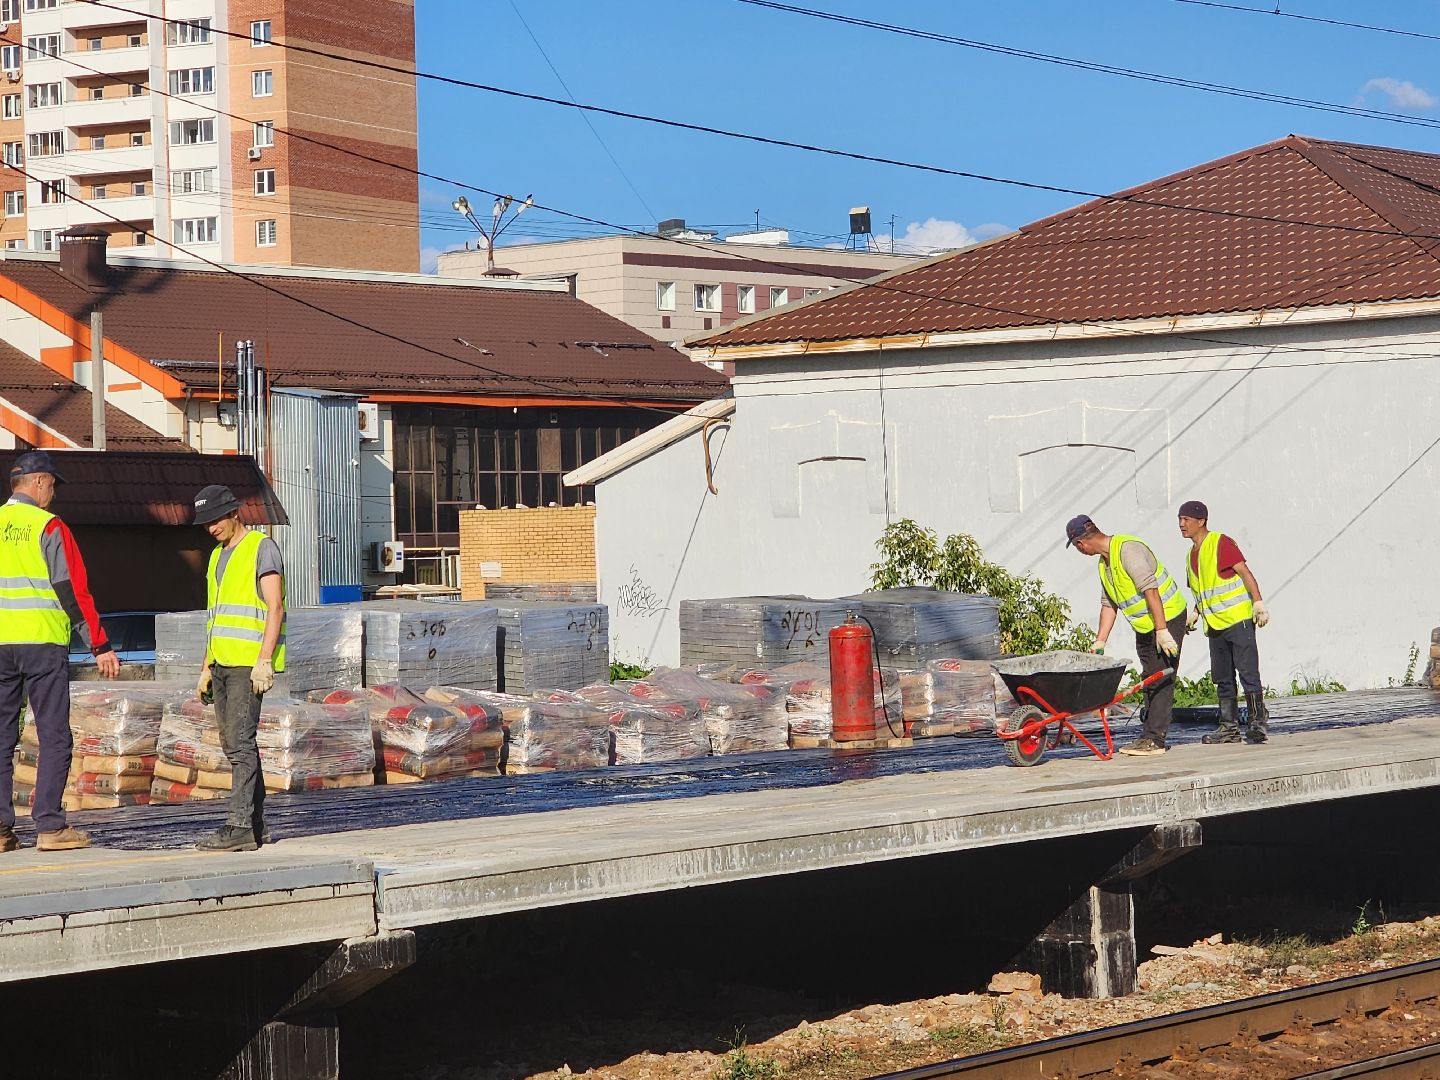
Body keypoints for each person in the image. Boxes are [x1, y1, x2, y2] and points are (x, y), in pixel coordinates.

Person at [0, 450, 119, 853]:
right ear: (36, 482)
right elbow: (72, 590)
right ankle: (49, 827)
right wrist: (99, 644)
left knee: (1, 737)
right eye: (52, 484)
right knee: (53, 736)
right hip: (42, 643)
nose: (53, 492)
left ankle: (0, 830)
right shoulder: (48, 526)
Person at [192, 484, 285, 853]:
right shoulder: (216, 557)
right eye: (205, 523)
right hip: (222, 664)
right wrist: (205, 666)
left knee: (241, 743)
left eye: (215, 520)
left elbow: (274, 607)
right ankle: (255, 825)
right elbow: (214, 618)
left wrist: (265, 661)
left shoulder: (261, 548)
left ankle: (240, 825)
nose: (211, 527)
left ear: (234, 513)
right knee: (234, 743)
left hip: (248, 665)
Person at [1066, 514, 1187, 756]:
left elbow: (1151, 591)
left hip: (1168, 616)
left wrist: (1162, 631)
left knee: (1161, 676)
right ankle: (1148, 734)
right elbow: (1109, 605)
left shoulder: (1127, 550)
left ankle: (1155, 739)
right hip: (1144, 626)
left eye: (1077, 547)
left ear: (1081, 544)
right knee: (1149, 675)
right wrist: (1100, 640)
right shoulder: (1104, 564)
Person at [1178, 500, 1270, 745]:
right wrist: (1195, 613)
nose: (1181, 524)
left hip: (1238, 620)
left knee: (1248, 672)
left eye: (1186, 519)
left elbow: (1244, 573)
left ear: (1201, 521)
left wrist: (1258, 602)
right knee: (1222, 677)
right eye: (1180, 519)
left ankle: (1257, 723)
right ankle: (1228, 727)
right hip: (1215, 625)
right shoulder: (1190, 555)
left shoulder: (1220, 543)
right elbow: (1203, 589)